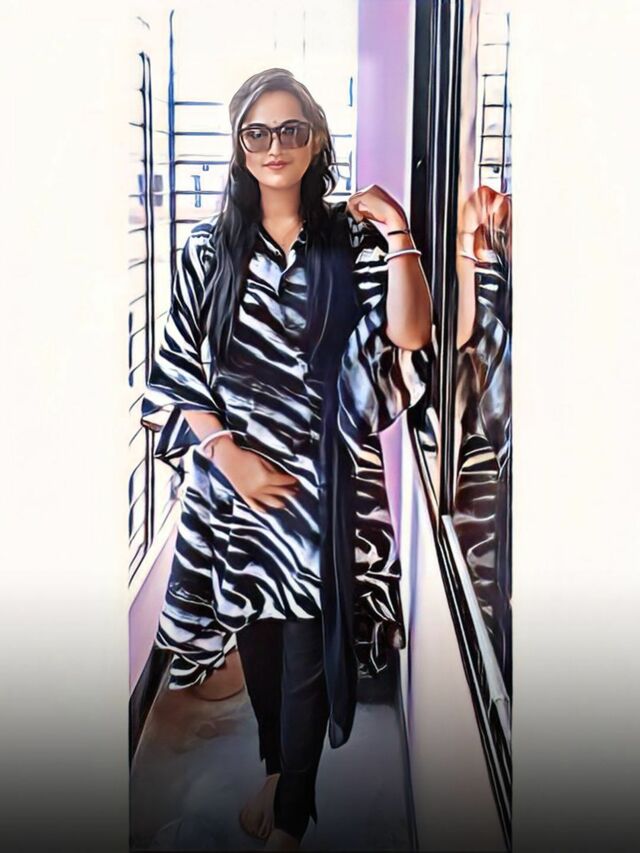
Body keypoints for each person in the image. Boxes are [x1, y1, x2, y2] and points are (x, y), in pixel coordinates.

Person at [140, 67, 432, 851]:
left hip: (320, 483)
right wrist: (228, 456)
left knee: (308, 644)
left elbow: (409, 335)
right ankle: (277, 769)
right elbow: (177, 367)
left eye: (291, 129)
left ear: (315, 140)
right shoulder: (208, 250)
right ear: (240, 145)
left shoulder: (348, 240)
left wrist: (399, 230)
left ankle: (292, 817)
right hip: (234, 489)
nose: (275, 145)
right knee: (259, 637)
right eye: (258, 132)